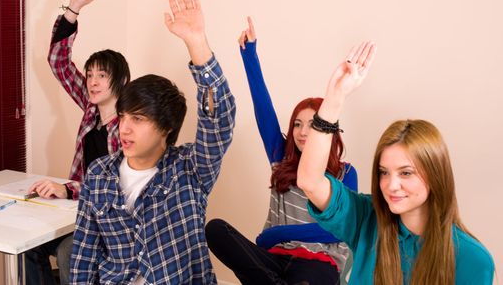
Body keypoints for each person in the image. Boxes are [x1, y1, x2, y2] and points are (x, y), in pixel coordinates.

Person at [69, 0, 236, 284]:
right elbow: (83, 257)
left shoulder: (190, 170)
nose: (125, 128)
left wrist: (197, 43)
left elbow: (219, 119)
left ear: (166, 128)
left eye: (138, 119)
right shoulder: (98, 174)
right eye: (122, 117)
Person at [297, 41, 495, 284]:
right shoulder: (366, 219)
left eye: (406, 173)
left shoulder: (473, 260)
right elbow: (309, 181)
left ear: (435, 175)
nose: (391, 185)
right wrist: (334, 98)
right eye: (383, 172)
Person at [205, 17, 357, 285]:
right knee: (216, 230)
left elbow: (340, 230)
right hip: (273, 260)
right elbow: (263, 108)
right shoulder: (281, 160)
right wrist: (249, 54)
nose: (301, 132)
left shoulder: (345, 173)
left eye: (312, 125)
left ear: (327, 130)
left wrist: (273, 235)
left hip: (317, 262)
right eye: (297, 124)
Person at [25, 0, 130, 285]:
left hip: (114, 222)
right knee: (31, 247)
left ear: (121, 81)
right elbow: (58, 62)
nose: (93, 82)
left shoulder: (129, 128)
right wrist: (74, 7)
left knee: (68, 252)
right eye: (91, 75)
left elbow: (117, 192)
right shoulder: (89, 108)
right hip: (81, 211)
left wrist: (68, 190)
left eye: (102, 75)